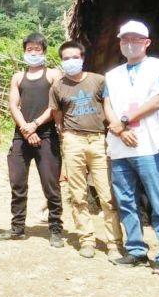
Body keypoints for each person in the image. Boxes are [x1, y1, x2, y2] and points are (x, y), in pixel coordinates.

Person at [103, 20, 159, 276]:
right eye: (125, 39)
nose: (130, 43)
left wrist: (123, 122)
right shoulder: (112, 75)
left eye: (136, 39)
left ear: (147, 43)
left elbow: (158, 100)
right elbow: (108, 104)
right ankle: (136, 250)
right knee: (126, 201)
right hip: (121, 147)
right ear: (120, 43)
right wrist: (120, 129)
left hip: (150, 145)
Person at [49, 40, 123, 260]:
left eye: (75, 57)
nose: (71, 61)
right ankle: (87, 240)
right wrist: (67, 140)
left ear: (82, 58)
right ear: (62, 61)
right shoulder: (58, 87)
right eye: (66, 58)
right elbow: (58, 119)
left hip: (98, 140)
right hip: (73, 141)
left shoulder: (98, 81)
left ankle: (114, 243)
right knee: (78, 195)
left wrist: (117, 127)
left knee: (107, 195)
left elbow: (108, 107)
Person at [0, 33, 64, 248]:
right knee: (18, 183)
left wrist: (35, 125)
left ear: (44, 51)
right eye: (29, 49)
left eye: (37, 49)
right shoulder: (18, 77)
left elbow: (56, 106)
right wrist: (26, 129)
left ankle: (55, 229)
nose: (33, 53)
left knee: (51, 185)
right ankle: (17, 227)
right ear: (24, 51)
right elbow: (13, 106)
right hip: (21, 136)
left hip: (47, 136)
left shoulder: (54, 75)